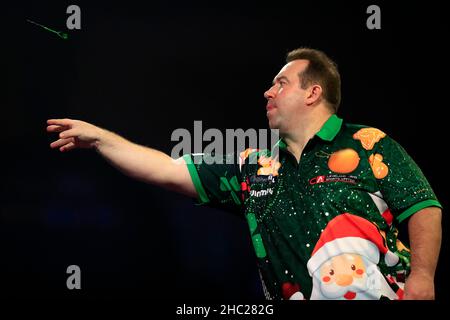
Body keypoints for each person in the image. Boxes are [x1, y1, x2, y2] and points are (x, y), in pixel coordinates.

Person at [47, 47, 442, 300]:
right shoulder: (255, 168)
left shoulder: (369, 142)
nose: (267, 92)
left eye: (280, 83)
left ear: (313, 93)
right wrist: (100, 139)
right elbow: (166, 168)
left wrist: (423, 277)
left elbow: (422, 206)